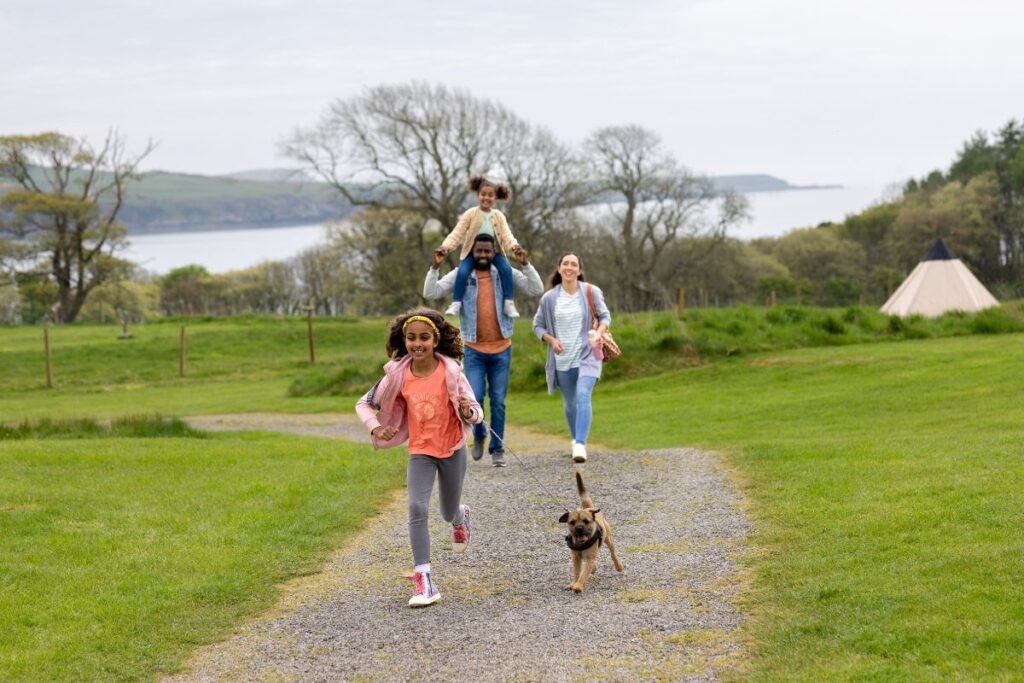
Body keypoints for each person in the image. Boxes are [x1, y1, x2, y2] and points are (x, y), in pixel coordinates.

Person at [355, 308, 483, 608]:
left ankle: (460, 517)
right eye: (411, 338)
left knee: (446, 510)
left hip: (452, 449)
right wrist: (377, 427)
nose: (417, 344)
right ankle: (423, 579)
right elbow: (363, 404)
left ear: (435, 341)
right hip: (421, 451)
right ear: (404, 341)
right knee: (416, 507)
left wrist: (468, 411)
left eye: (424, 338)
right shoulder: (397, 374)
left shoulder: (451, 371)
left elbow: (477, 412)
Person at [424, 233, 544, 466]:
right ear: (472, 252)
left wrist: (525, 264)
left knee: (498, 401)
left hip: (501, 349)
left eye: (487, 251)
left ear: (494, 252)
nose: (483, 255)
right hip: (474, 350)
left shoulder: (504, 273)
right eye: (479, 251)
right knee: (475, 397)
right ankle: (479, 436)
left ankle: (497, 449)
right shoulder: (462, 274)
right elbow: (431, 293)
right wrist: (435, 267)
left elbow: (535, 289)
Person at [532, 252, 611, 463]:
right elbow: (537, 326)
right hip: (562, 359)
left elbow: (605, 316)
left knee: (583, 394)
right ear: (559, 269)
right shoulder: (549, 298)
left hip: (588, 354)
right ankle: (575, 438)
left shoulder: (590, 292)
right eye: (565, 264)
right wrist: (551, 340)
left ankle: (580, 445)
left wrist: (600, 333)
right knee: (570, 403)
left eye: (573, 264)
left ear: (580, 270)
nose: (569, 267)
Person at [435, 174, 525, 318]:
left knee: (506, 269)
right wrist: (445, 247)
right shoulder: (470, 214)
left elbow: (507, 235)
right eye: (483, 194)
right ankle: (456, 303)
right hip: (472, 253)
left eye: (490, 195)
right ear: (478, 195)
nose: (486, 198)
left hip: (494, 253)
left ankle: (508, 303)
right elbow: (457, 233)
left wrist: (514, 246)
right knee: (463, 272)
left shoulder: (499, 216)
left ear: (495, 198)